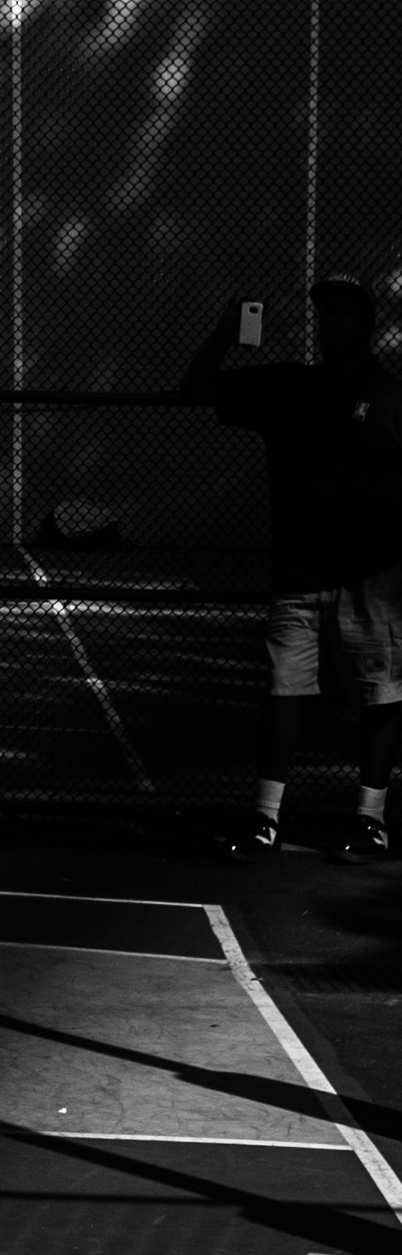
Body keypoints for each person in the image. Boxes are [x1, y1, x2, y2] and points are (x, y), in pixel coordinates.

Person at [184, 279, 402, 862]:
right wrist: (225, 337)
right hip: (299, 575)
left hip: (371, 577)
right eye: (326, 312)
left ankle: (370, 821)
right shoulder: (289, 386)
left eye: (347, 312)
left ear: (367, 322)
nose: (334, 321)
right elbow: (198, 388)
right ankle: (264, 819)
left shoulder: (389, 396)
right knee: (284, 689)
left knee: (382, 695)